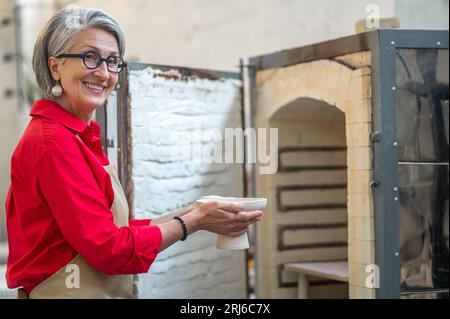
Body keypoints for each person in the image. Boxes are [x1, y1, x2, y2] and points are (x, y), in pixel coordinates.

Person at [4, 7, 263, 299]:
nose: (103, 73)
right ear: (55, 67)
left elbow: (114, 230)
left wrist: (196, 210)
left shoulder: (76, 137)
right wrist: (196, 221)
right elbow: (110, 249)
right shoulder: (53, 143)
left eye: (112, 61)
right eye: (89, 57)